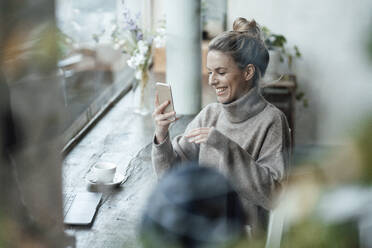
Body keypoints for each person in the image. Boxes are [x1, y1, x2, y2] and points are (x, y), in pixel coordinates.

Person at [151, 17, 291, 234]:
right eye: (210, 71)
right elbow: (172, 176)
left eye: (221, 72)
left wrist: (225, 147)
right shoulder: (210, 114)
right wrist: (161, 136)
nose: (211, 80)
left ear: (248, 72)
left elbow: (274, 195)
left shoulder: (272, 121)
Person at [139, 164, 248, 248]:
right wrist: (161, 140)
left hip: (224, 219)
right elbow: (167, 172)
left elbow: (262, 189)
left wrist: (225, 145)